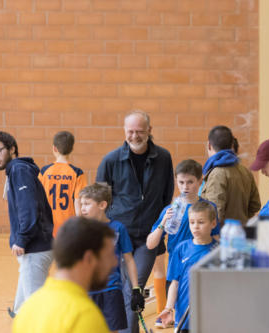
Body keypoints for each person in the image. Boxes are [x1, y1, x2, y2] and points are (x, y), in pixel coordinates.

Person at [96, 110, 174, 333]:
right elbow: (100, 198)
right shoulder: (110, 160)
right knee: (122, 290)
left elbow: (166, 194)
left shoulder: (164, 158)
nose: (134, 136)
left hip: (148, 238)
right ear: (124, 131)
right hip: (120, 236)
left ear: (150, 130)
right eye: (130, 131)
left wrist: (159, 226)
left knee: (133, 287)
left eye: (140, 131)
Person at [0, 131, 53, 316]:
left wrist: (22, 238)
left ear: (12, 149)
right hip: (35, 247)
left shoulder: (19, 170)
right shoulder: (16, 169)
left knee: (35, 308)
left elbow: (29, 207)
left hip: (35, 248)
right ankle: (19, 312)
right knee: (23, 308)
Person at [146, 160, 220, 328]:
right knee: (183, 318)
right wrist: (163, 222)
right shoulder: (170, 210)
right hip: (178, 271)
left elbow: (216, 239)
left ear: (200, 181)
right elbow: (150, 244)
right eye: (181, 182)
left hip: (203, 268)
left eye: (190, 182)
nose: (185, 187)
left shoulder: (208, 208)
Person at [12, 217, 117, 333]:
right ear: (89, 258)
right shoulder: (85, 316)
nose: (114, 262)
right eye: (109, 256)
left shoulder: (28, 309)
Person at [78, 183, 144, 332]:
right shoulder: (81, 229)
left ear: (102, 205)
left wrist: (135, 289)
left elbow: (129, 259)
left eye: (87, 204)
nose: (82, 208)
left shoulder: (118, 228)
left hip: (112, 290)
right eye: (82, 204)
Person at [157, 201, 219, 332]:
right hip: (184, 318)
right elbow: (175, 283)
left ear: (213, 224)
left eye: (201, 222)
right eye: (192, 222)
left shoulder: (219, 251)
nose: (195, 227)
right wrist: (168, 308)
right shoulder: (181, 249)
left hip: (211, 317)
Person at [201, 125, 261, 225]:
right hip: (241, 232)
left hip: (223, 236)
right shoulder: (245, 171)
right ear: (232, 144)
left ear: (209, 145)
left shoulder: (217, 174)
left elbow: (215, 213)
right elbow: (255, 205)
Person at [39, 131, 87, 236]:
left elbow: (37, 201)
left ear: (54, 148)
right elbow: (79, 203)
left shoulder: (44, 171)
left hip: (47, 227)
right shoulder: (77, 173)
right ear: (72, 149)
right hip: (69, 228)